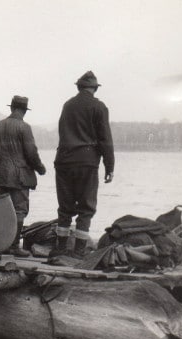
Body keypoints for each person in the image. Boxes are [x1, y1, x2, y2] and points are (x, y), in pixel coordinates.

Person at [52, 71, 115, 257]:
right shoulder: (99, 107)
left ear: (78, 87)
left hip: (63, 161)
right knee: (86, 208)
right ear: (95, 88)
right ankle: (79, 252)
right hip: (86, 162)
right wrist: (109, 166)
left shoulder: (67, 105)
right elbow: (105, 139)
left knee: (65, 208)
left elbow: (63, 131)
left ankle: (60, 249)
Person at [0, 95, 46, 257]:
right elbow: (31, 153)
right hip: (18, 176)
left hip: (0, 173)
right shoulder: (24, 127)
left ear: (12, 108)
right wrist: (40, 168)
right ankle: (13, 246)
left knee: (6, 209)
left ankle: (3, 244)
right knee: (19, 210)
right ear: (24, 111)